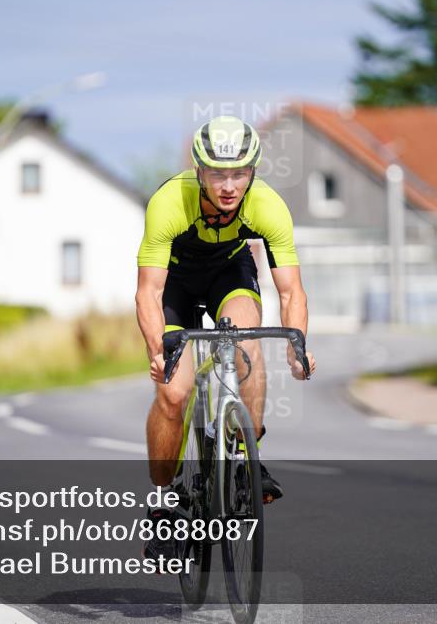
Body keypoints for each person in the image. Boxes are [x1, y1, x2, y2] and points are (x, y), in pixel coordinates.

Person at [134, 115, 316, 561]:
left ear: (253, 171)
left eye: (239, 174)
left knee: (246, 344)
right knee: (173, 395)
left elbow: (291, 290)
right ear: (199, 171)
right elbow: (149, 292)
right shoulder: (169, 202)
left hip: (227, 275)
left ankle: (245, 458)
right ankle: (164, 503)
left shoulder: (268, 206)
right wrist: (160, 352)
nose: (229, 185)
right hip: (175, 283)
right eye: (218, 174)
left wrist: (299, 349)